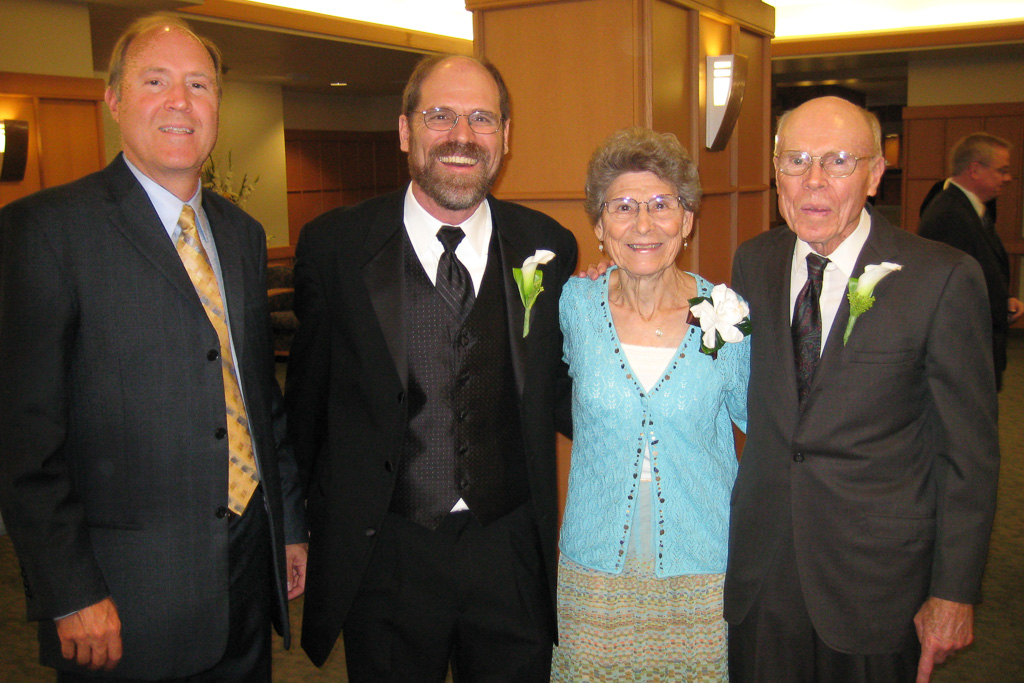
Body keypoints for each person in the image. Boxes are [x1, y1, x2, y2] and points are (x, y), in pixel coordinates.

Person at [0, 15, 307, 681]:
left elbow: (259, 397)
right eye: (155, 80)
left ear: (217, 106)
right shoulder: (47, 233)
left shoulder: (243, 235)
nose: (180, 100)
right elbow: (23, 440)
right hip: (123, 599)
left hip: (248, 573)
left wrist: (287, 522)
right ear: (113, 100)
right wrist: (70, 588)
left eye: (199, 84)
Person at [285, 54, 578, 681]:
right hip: (387, 549)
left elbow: (563, 386)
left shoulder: (547, 248)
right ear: (404, 131)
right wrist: (292, 524)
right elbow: (304, 404)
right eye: (440, 115)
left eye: (482, 119)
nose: (461, 136)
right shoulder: (334, 247)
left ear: (505, 136)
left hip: (510, 551)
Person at [724, 96, 1000, 683]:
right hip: (765, 568)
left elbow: (969, 456)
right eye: (795, 161)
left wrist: (953, 593)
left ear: (875, 174)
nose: (813, 180)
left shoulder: (941, 277)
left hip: (876, 581)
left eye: (838, 161)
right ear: (776, 174)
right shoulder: (753, 263)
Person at [552, 127, 749, 681]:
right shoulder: (573, 305)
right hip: (595, 560)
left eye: (662, 204)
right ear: (598, 225)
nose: (643, 224)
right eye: (623, 207)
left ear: (687, 221)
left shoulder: (728, 314)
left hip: (702, 562)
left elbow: (765, 426)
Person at [918, 133, 1023, 391]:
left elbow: (979, 270)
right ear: (975, 169)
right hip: (962, 355)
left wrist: (1002, 300)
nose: (1008, 178)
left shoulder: (971, 208)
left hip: (977, 347)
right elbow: (947, 294)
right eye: (1002, 170)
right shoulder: (949, 214)